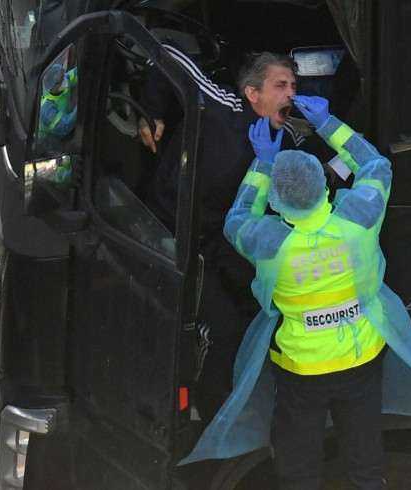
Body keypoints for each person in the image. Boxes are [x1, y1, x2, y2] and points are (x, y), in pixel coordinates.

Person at [180, 95, 411, 486]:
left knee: (299, 466)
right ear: (324, 186)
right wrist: (327, 123)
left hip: (301, 373)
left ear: (278, 201)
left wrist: (264, 162)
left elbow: (237, 217)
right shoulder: (358, 218)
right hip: (360, 363)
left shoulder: (268, 242)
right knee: (366, 463)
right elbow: (376, 165)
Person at [136, 48, 320, 423]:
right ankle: (212, 413)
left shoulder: (288, 137)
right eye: (280, 85)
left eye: (294, 86)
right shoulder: (222, 108)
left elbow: (324, 165)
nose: (291, 94)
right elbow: (164, 54)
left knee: (267, 302)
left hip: (223, 237)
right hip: (169, 232)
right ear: (253, 94)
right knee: (224, 329)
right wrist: (150, 112)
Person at [38, 63, 79, 153]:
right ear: (53, 86)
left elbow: (78, 73)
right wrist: (81, 107)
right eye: (62, 78)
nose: (65, 78)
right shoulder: (47, 111)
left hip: (63, 128)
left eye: (63, 74)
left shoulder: (63, 83)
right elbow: (64, 126)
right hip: (49, 141)